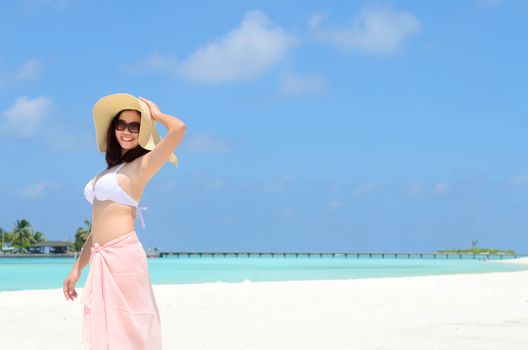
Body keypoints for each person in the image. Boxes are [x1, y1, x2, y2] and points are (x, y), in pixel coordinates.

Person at [62, 93, 186, 349]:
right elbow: (96, 231)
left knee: (130, 328)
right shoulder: (108, 171)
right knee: (106, 329)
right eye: (121, 124)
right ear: (113, 129)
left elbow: (178, 129)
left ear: (142, 131)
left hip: (124, 255)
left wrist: (157, 114)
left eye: (134, 126)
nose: (126, 131)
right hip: (101, 256)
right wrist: (77, 269)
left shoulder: (144, 165)